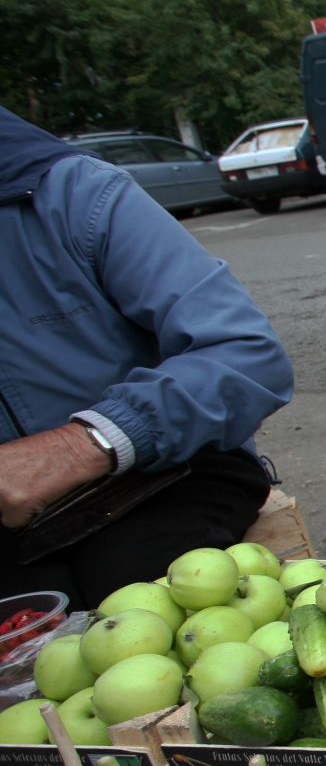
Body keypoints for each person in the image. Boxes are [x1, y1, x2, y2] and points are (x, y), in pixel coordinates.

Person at [0, 106, 296, 606]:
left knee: (130, 597)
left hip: (161, 471)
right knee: (28, 639)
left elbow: (246, 354)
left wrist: (80, 447)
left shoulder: (73, 194)